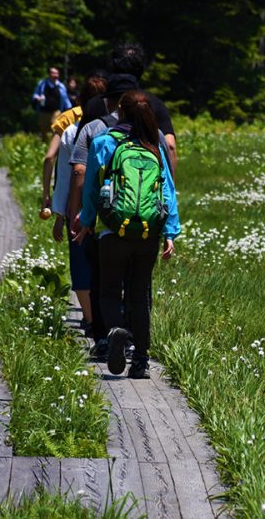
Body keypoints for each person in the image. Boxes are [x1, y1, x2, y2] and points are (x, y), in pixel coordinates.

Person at [75, 91, 180, 379]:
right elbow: (168, 192)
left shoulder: (103, 143)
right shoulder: (153, 145)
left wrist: (86, 221)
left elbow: (92, 190)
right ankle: (141, 362)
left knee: (109, 290)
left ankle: (117, 329)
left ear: (120, 112)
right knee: (139, 294)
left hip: (111, 230)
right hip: (148, 233)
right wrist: (170, 232)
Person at [40, 75, 107, 332]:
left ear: (80, 99)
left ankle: (91, 322)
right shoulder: (117, 126)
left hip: (76, 209)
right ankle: (108, 317)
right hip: (108, 210)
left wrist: (58, 212)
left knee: (81, 266)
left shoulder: (71, 127)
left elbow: (63, 172)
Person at [32, 67, 71, 141]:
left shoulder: (61, 86)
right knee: (44, 131)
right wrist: (38, 98)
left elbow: (66, 99)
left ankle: (55, 149)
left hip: (56, 112)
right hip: (44, 111)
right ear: (49, 74)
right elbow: (35, 95)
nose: (55, 75)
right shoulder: (42, 84)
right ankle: (44, 147)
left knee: (55, 130)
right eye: (53, 73)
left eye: (57, 73)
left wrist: (69, 109)